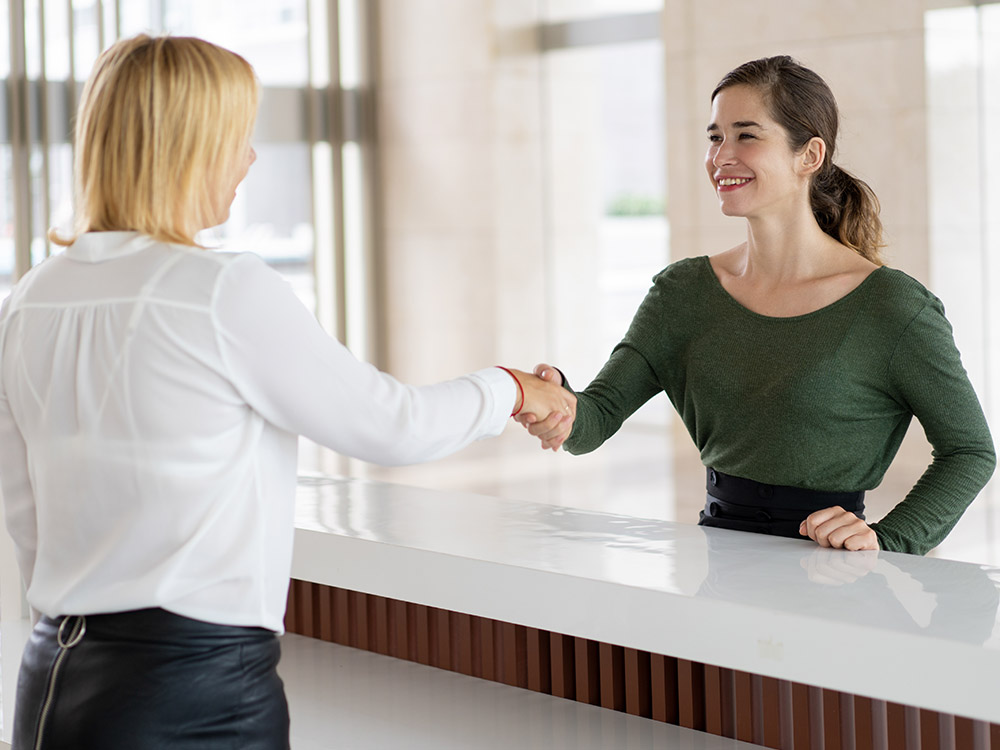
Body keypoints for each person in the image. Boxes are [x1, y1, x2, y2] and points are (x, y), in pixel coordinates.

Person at [0, 35, 575, 750]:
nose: (250, 159)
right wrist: (513, 389)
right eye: (239, 136)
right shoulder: (218, 289)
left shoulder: (30, 298)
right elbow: (390, 426)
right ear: (189, 145)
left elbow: (25, 511)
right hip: (190, 690)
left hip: (54, 674)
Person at [519, 55, 995, 555]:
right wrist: (557, 406)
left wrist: (889, 539)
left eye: (746, 135)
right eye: (714, 137)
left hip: (836, 578)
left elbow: (970, 451)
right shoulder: (682, 293)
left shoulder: (892, 307)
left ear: (809, 156)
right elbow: (594, 421)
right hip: (719, 568)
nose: (721, 155)